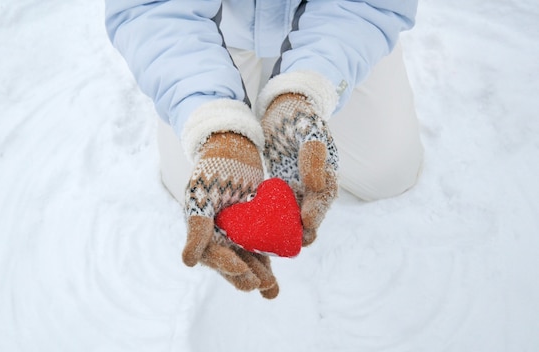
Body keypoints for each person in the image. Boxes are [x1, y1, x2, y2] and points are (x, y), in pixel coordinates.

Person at [105, 0, 424, 299]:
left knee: (390, 172)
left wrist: (309, 89)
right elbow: (152, 7)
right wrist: (214, 124)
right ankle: (229, 93)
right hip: (208, 35)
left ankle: (291, 83)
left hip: (339, 24)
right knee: (188, 182)